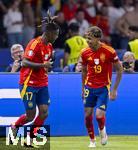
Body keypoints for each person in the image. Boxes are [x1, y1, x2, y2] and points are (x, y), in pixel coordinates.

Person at [11, 11, 59, 148]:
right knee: (30, 116)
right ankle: (15, 125)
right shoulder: (34, 44)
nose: (56, 37)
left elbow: (46, 64)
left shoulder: (49, 47)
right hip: (29, 83)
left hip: (42, 83)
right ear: (49, 33)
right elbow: (24, 63)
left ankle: (30, 138)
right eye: (55, 35)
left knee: (44, 113)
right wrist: (43, 65)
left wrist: (47, 66)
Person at [80, 26, 123, 148]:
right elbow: (83, 71)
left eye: (90, 39)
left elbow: (119, 69)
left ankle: (102, 131)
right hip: (89, 87)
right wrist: (83, 88)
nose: (88, 41)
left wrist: (114, 89)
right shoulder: (84, 52)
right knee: (88, 115)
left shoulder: (109, 51)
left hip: (103, 88)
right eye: (87, 38)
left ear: (98, 38)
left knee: (99, 115)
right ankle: (92, 140)